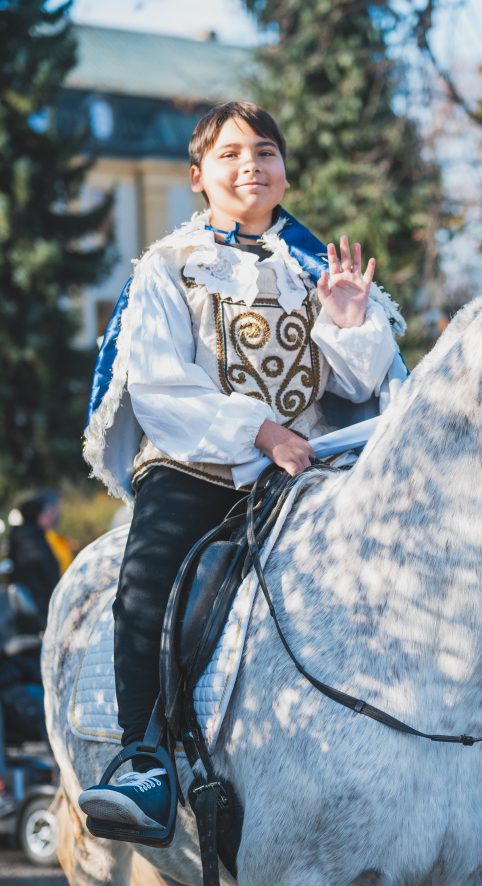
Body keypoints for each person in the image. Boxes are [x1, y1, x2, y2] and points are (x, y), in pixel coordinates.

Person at [77, 101, 403, 839]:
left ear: (285, 171)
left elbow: (358, 388)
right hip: (199, 467)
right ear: (196, 177)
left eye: (263, 151)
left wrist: (349, 319)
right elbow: (161, 386)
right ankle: (144, 758)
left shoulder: (318, 267)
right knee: (144, 582)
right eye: (227, 154)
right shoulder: (166, 268)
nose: (248, 164)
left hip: (311, 467)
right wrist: (258, 431)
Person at [7, 490, 63, 622]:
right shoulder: (33, 539)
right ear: (40, 515)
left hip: (31, 609)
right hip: (41, 610)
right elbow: (48, 574)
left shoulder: (22, 536)